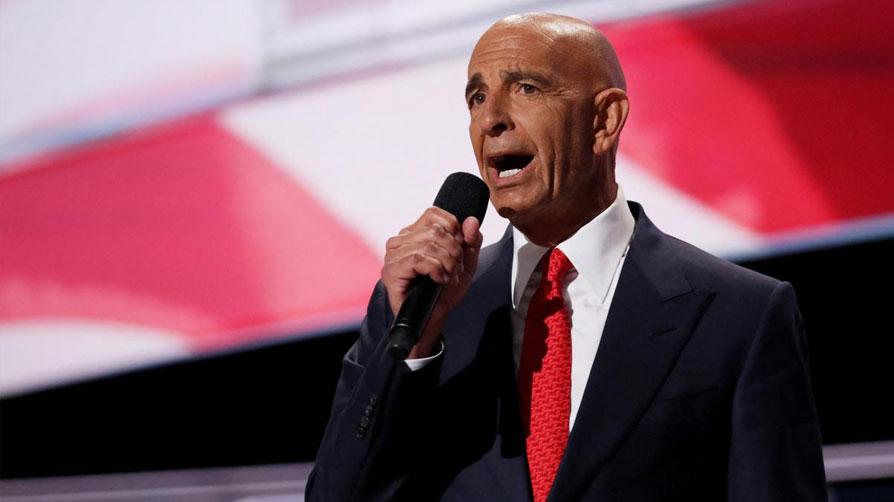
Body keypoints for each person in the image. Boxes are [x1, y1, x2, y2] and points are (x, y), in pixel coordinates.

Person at [306, 12, 826, 501]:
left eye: (527, 88)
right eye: (477, 97)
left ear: (605, 119)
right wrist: (416, 351)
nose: (491, 119)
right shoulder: (421, 305)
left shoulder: (739, 314)